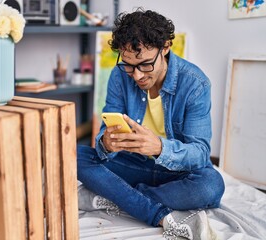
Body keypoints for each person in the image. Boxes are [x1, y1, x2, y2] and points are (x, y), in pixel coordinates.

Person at [77, 8, 225, 240]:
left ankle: (114, 195)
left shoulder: (196, 84)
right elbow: (105, 133)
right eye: (128, 65)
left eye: (145, 64)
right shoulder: (120, 76)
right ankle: (155, 211)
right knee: (73, 154)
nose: (136, 75)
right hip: (132, 163)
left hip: (175, 172)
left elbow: (200, 153)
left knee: (211, 186)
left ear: (165, 47)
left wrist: (158, 147)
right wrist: (106, 143)